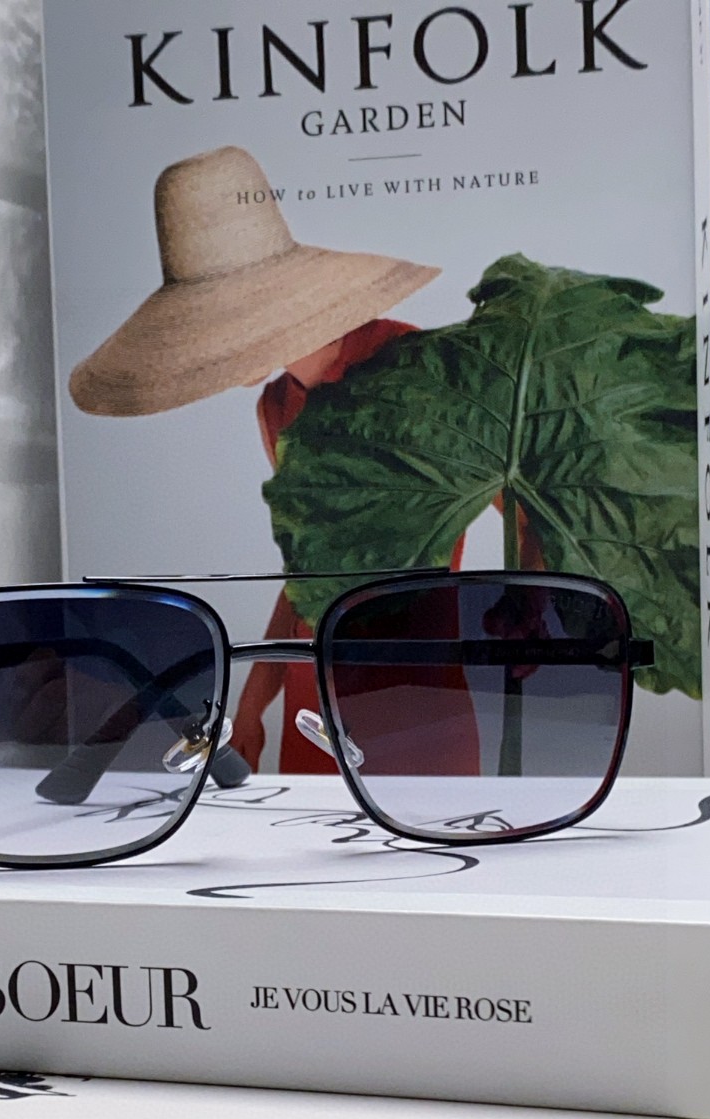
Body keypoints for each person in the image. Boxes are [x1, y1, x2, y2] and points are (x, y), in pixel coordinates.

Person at [70, 145, 487, 773]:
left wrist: (532, 621)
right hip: (311, 703)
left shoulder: (418, 368)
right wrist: (252, 705)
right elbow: (306, 574)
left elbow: (519, 498)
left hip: (417, 694)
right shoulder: (276, 407)